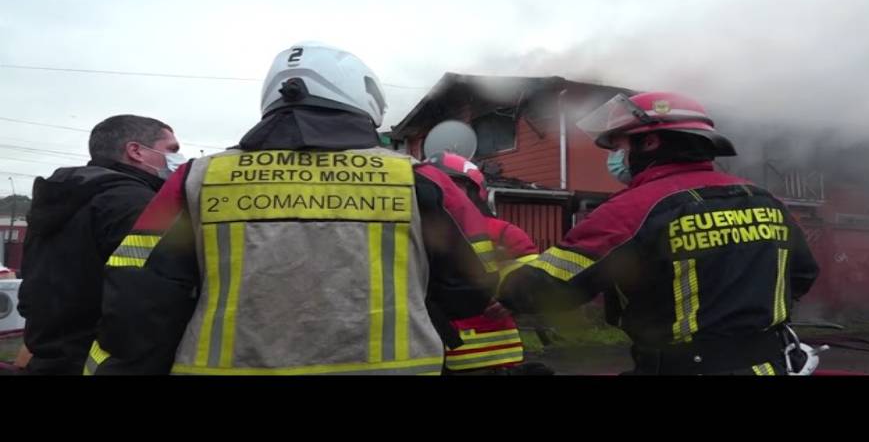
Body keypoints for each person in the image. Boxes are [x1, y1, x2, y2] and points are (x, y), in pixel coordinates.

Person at [85, 42, 499, 375]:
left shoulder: (195, 178)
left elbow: (138, 295)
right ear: (363, 97)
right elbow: (473, 287)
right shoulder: (421, 180)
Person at [496, 91, 820, 375]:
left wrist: (499, 278)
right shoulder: (764, 200)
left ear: (649, 142)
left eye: (618, 145)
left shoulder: (630, 210)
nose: (614, 157)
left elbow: (546, 290)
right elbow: (803, 274)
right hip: (772, 365)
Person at [17, 114, 182, 375]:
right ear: (136, 151)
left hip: (48, 359)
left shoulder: (58, 201)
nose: (177, 159)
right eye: (172, 150)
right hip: (102, 365)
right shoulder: (138, 204)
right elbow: (147, 301)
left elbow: (32, 290)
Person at [425, 151, 554, 375]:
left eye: (453, 186)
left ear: (475, 192)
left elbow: (537, 279)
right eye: (434, 186)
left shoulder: (502, 233)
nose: (443, 193)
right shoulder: (414, 233)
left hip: (489, 356)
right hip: (425, 351)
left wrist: (513, 300)